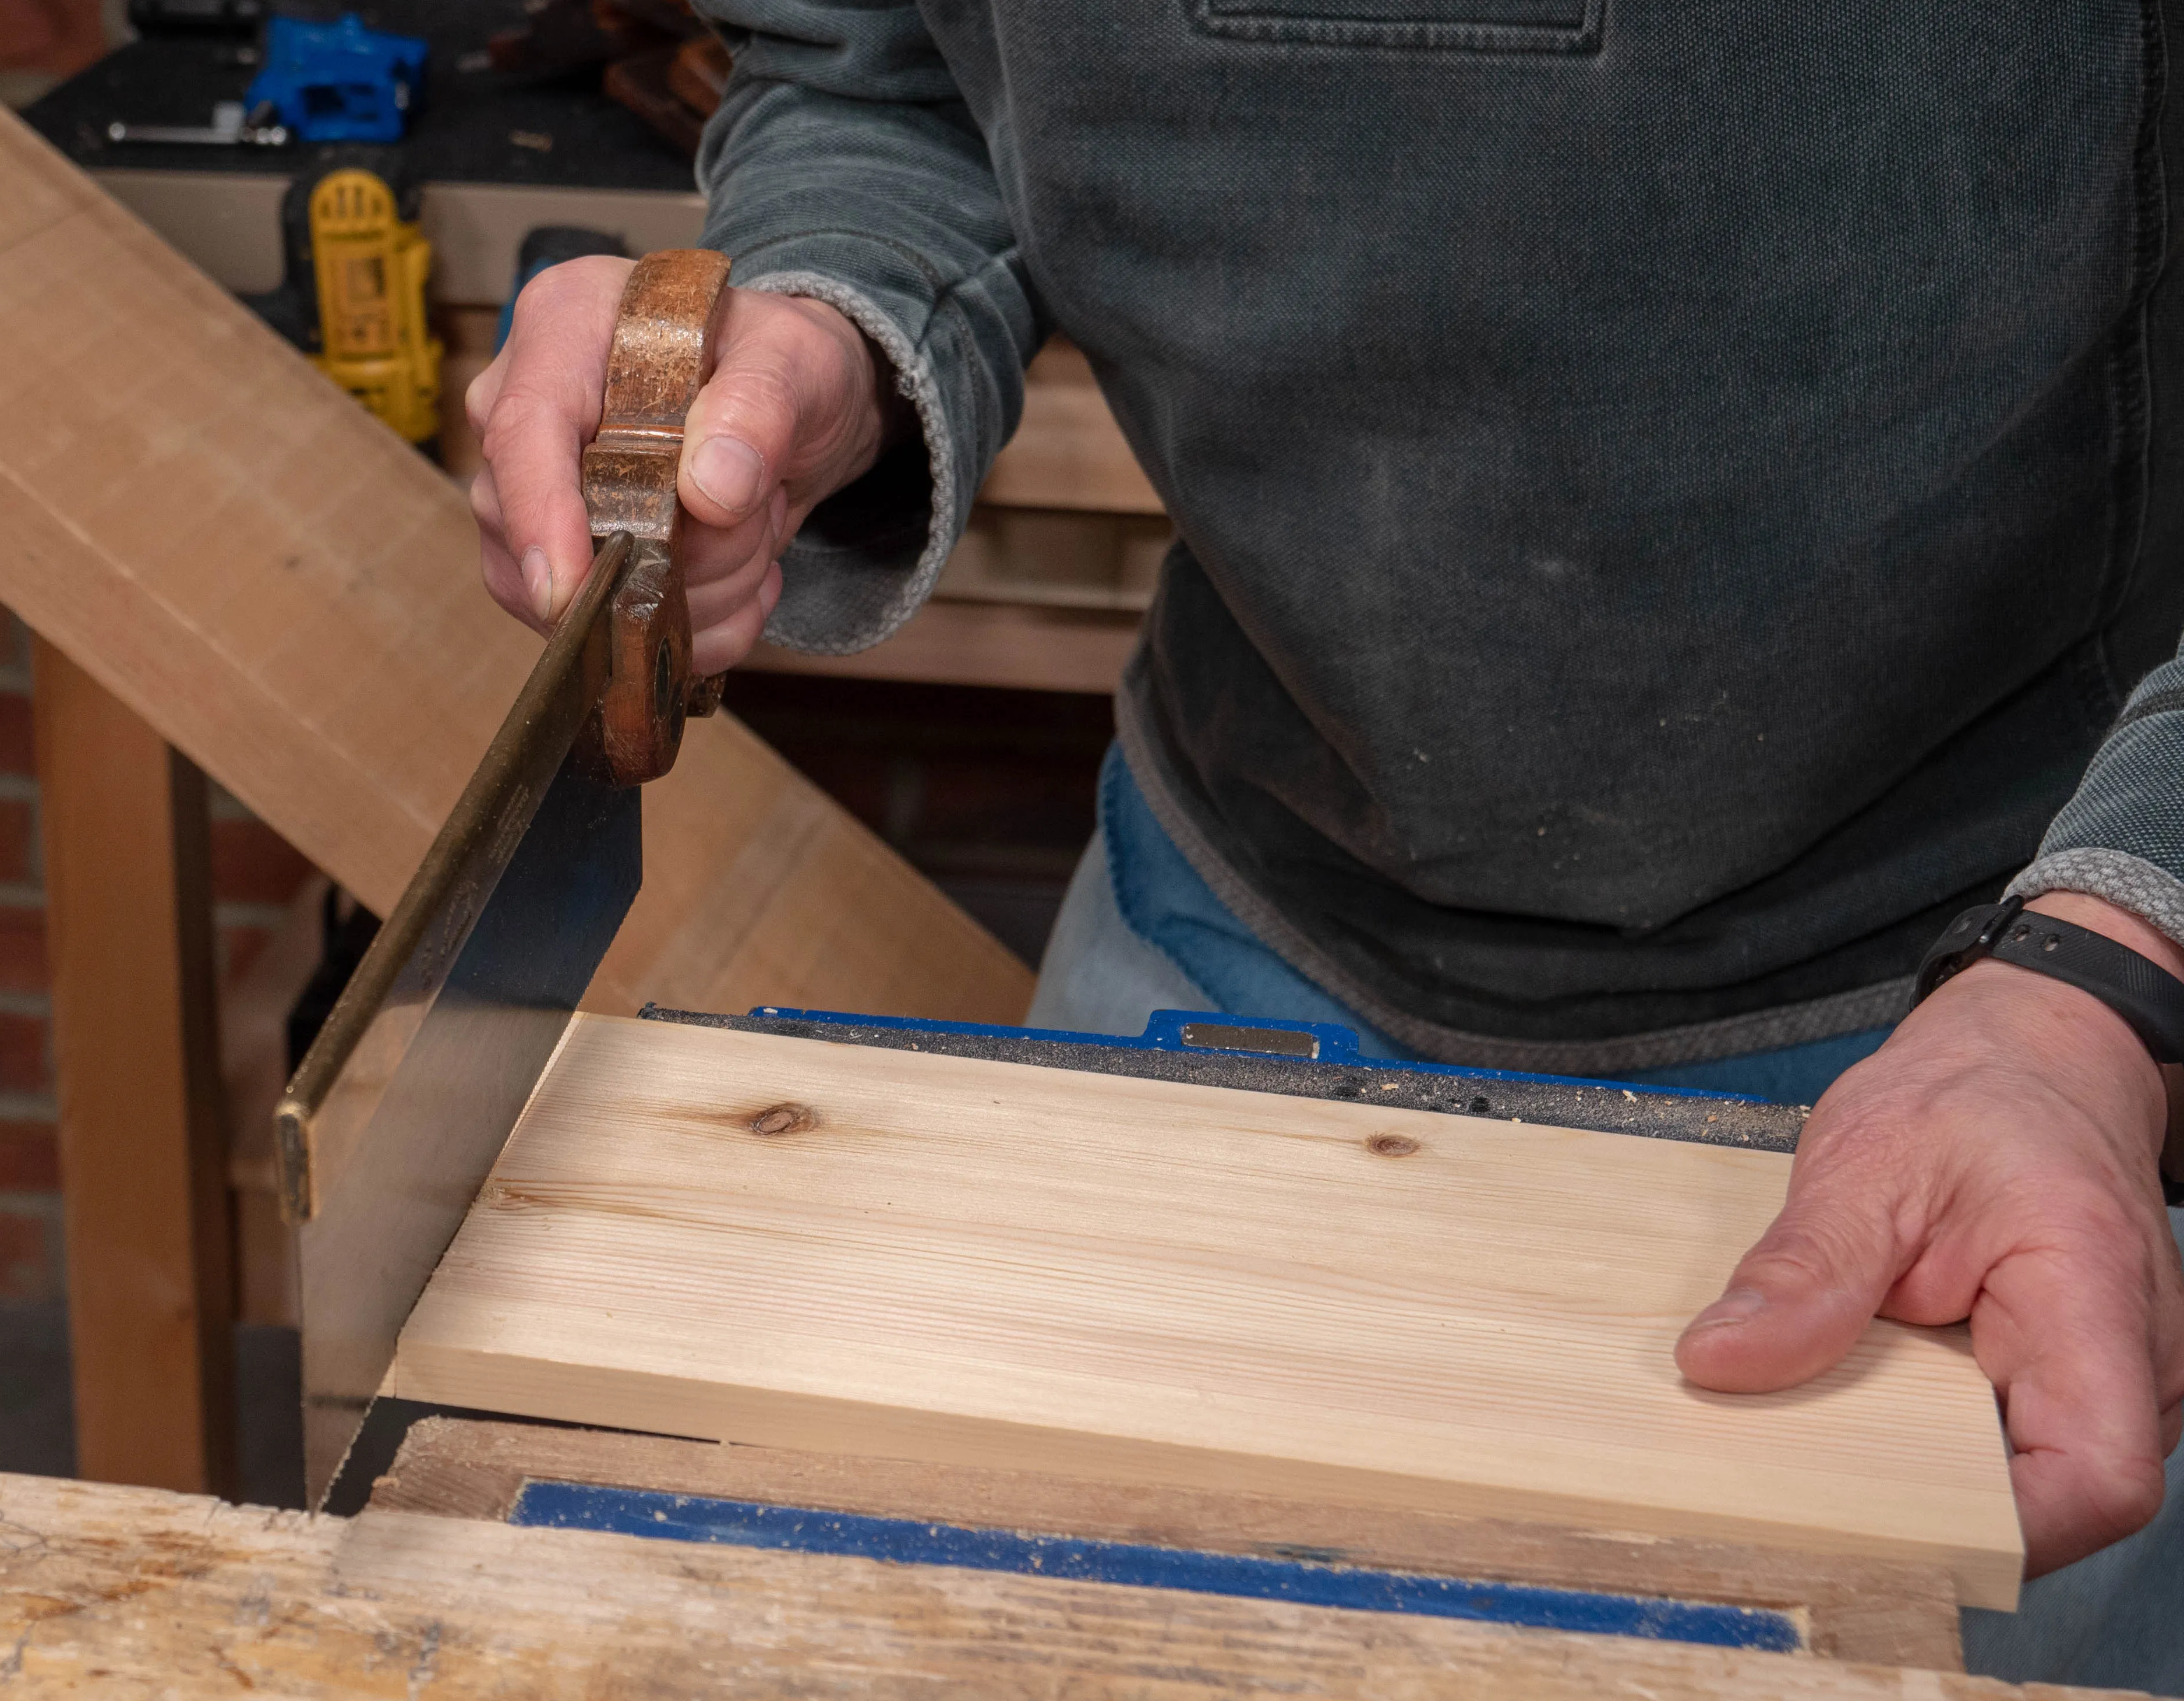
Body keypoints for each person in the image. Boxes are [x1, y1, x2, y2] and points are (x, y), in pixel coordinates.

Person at [467, 1, 2184, 1684]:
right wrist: (821, 335)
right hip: (1233, 910)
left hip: (2009, 1044)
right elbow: (888, 73)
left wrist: (2114, 963)